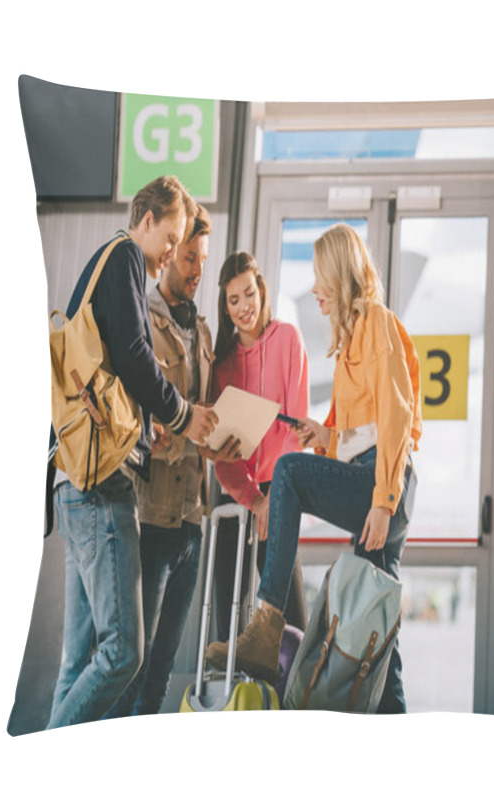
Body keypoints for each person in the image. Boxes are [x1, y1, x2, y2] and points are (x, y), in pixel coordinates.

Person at [206, 224, 421, 714]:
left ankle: (267, 626)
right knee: (374, 624)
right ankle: (394, 721)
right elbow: (362, 432)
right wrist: (324, 437)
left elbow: (396, 418)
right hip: (372, 477)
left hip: (385, 486)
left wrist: (384, 502)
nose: (315, 290)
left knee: (288, 475)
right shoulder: (349, 342)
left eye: (320, 278)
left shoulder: (377, 323)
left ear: (340, 275)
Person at [48, 176, 218, 729]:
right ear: (146, 220)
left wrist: (147, 429)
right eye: (170, 239)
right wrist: (182, 415)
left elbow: (117, 366)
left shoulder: (113, 265)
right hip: (100, 485)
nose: (171, 253)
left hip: (73, 483)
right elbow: (136, 357)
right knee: (124, 652)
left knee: (78, 662)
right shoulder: (123, 255)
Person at [103, 205, 240, 718]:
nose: (197, 268)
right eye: (188, 257)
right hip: (150, 519)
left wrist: (217, 443)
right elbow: (144, 421)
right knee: (126, 671)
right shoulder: (141, 316)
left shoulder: (203, 333)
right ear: (170, 253)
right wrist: (188, 434)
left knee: (158, 677)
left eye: (202, 258)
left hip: (190, 522)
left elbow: (196, 421)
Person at [210, 252, 309, 639]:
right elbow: (223, 456)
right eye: (233, 301)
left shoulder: (288, 339)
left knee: (291, 621)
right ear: (225, 307)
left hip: (281, 490)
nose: (243, 307)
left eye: (248, 294)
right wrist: (254, 499)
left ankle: (296, 696)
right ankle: (235, 696)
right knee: (228, 623)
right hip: (238, 496)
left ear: (261, 291)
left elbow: (296, 426)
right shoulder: (222, 365)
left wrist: (273, 498)